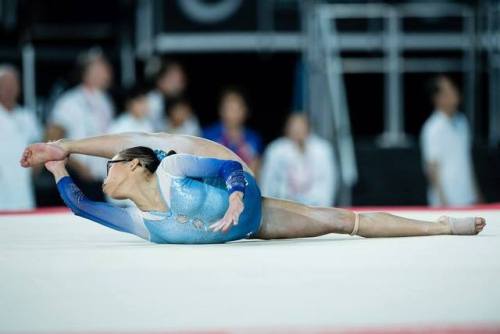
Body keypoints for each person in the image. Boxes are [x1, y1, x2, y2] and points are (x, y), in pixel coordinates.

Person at [20, 132, 485, 244]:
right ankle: (441, 226)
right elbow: (80, 207)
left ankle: (441, 226)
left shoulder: (170, 169)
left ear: (136, 168)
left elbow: (228, 176)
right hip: (252, 224)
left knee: (159, 143)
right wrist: (58, 168)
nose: (104, 172)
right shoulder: (137, 222)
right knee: (343, 222)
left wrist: (239, 193)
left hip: (233, 177)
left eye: (112, 165)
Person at [45, 48, 114, 200]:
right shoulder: (70, 100)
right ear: (88, 71)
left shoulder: (106, 101)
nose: (108, 71)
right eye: (102, 67)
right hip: (79, 179)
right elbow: (51, 140)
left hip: (103, 181)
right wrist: (77, 166)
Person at [420, 75, 483, 207]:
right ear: (437, 98)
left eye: (453, 89)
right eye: (446, 91)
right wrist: (444, 202)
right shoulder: (432, 128)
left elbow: (466, 162)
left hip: (468, 198)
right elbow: (432, 168)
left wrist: (477, 196)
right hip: (446, 202)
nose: (453, 94)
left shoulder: (462, 122)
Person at [260, 113, 337, 206]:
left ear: (309, 128)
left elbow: (328, 181)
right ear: (286, 128)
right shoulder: (275, 149)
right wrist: (266, 206)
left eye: (301, 126)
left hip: (315, 205)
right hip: (283, 204)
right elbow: (268, 180)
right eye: (294, 126)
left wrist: (325, 207)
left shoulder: (322, 149)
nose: (297, 130)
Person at [0, 65, 42, 210]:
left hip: (24, 194)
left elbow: (39, 147)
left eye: (12, 84)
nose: (9, 88)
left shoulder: (27, 117)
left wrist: (36, 167)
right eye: (4, 84)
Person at [203, 88, 262, 173]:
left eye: (237, 108)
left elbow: (254, 172)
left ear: (246, 110)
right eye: (229, 108)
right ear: (221, 110)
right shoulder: (209, 135)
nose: (233, 113)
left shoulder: (253, 138)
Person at [147, 60, 198, 132]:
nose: (177, 84)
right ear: (160, 81)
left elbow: (193, 131)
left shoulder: (184, 105)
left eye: (180, 79)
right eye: (172, 79)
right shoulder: (149, 102)